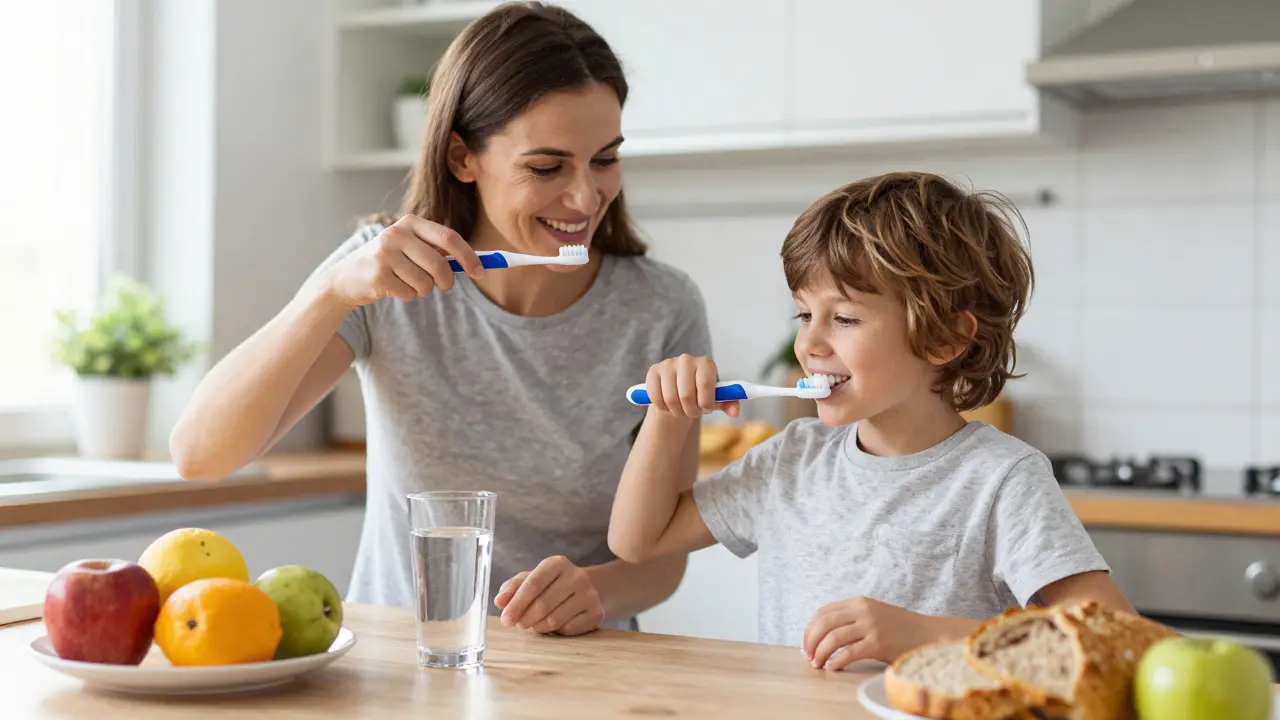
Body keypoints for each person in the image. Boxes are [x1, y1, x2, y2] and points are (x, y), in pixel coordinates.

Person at [170, 2, 711, 636]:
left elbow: (661, 562)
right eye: (546, 166)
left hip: (578, 674)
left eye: (605, 159)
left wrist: (592, 591)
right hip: (401, 664)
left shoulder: (660, 309)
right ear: (462, 157)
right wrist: (330, 294)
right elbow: (200, 454)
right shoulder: (381, 279)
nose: (585, 197)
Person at [608, 171, 1134, 668]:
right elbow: (637, 542)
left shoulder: (1000, 480)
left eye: (844, 318)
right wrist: (668, 416)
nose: (809, 343)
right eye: (804, 314)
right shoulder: (792, 460)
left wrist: (923, 635)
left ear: (945, 338)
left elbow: (1110, 635)